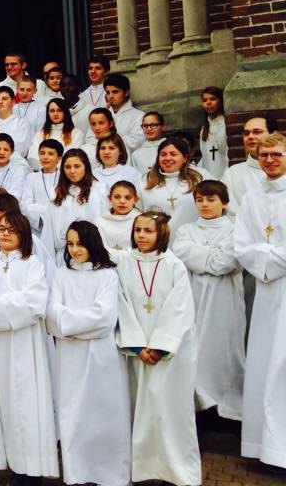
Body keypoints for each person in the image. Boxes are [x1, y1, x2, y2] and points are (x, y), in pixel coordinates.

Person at [0, 211, 58, 484]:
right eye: (1, 228)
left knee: (27, 406)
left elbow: (35, 303)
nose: (4, 233)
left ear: (23, 234)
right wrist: (9, 307)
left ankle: (31, 471)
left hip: (25, 348)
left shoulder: (32, 264)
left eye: (11, 230)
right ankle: (12, 468)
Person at [117, 211, 201, 486]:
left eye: (148, 231)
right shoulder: (125, 264)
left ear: (162, 234)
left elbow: (180, 307)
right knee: (140, 409)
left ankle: (175, 470)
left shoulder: (174, 264)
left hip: (168, 353)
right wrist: (138, 344)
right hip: (138, 350)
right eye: (137, 230)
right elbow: (121, 302)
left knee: (169, 410)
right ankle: (142, 470)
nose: (141, 235)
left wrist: (160, 346)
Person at [46, 220, 131, 486]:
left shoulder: (108, 275)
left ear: (93, 243)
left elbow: (104, 319)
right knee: (73, 413)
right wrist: (72, 325)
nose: (75, 249)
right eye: (70, 244)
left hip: (101, 358)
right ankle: (78, 474)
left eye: (80, 244)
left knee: (104, 413)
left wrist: (68, 325)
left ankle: (111, 475)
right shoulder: (61, 274)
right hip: (69, 357)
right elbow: (51, 315)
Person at [233, 132, 286, 470]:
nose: (269, 159)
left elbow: (261, 249)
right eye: (263, 154)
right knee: (265, 364)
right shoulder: (251, 198)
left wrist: (268, 258)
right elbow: (242, 245)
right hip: (267, 295)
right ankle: (264, 448)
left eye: (276, 154)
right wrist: (267, 262)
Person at [171, 180, 244, 421]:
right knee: (196, 350)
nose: (204, 204)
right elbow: (181, 254)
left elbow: (226, 263)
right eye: (200, 200)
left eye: (211, 199)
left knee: (225, 349)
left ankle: (230, 408)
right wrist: (212, 255)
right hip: (194, 297)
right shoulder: (186, 230)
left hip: (225, 299)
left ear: (224, 203)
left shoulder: (235, 229)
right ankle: (199, 405)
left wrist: (201, 256)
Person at [42, 148, 107, 256]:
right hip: (64, 254)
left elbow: (104, 225)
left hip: (92, 252)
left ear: (86, 167)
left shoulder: (99, 189)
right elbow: (49, 230)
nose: (72, 171)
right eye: (67, 167)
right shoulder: (56, 192)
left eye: (77, 166)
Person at [141, 136, 204, 236]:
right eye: (163, 154)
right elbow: (137, 211)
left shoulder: (200, 177)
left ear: (185, 158)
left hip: (193, 239)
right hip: (158, 239)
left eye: (173, 154)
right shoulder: (145, 180)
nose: (168, 158)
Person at [222, 115, 272, 207]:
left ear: (273, 134)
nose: (250, 137)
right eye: (246, 133)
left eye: (257, 132)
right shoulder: (232, 174)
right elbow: (231, 212)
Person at [26, 97, 83, 170]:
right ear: (48, 113)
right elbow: (32, 157)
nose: (55, 114)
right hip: (42, 174)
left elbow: (73, 157)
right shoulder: (40, 134)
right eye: (52, 111)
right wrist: (48, 169)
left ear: (65, 112)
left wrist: (54, 169)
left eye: (59, 110)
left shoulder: (76, 133)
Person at [21, 139, 63, 234]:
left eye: (50, 154)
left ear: (59, 158)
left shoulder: (64, 178)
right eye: (42, 153)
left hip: (59, 227)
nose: (45, 157)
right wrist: (46, 212)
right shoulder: (31, 177)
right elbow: (25, 205)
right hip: (37, 228)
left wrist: (39, 208)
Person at [97, 181, 142, 263]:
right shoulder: (100, 221)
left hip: (134, 264)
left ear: (136, 199)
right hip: (107, 265)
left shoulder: (142, 221)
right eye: (117, 197)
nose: (122, 201)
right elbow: (99, 248)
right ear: (109, 198)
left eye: (127, 197)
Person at [103, 73, 145, 152]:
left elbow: (136, 142)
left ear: (126, 92)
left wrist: (107, 137)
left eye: (115, 92)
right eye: (108, 92)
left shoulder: (139, 116)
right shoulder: (102, 114)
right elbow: (90, 138)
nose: (110, 96)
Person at [0, 86, 33, 158]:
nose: (0, 102)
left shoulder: (22, 123)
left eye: (4, 99)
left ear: (13, 102)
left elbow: (20, 149)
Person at [199, 87, 229, 177]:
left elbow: (226, 154)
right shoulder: (204, 129)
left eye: (212, 99)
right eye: (205, 100)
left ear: (221, 101)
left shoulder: (226, 125)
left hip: (225, 173)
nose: (208, 103)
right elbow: (205, 156)